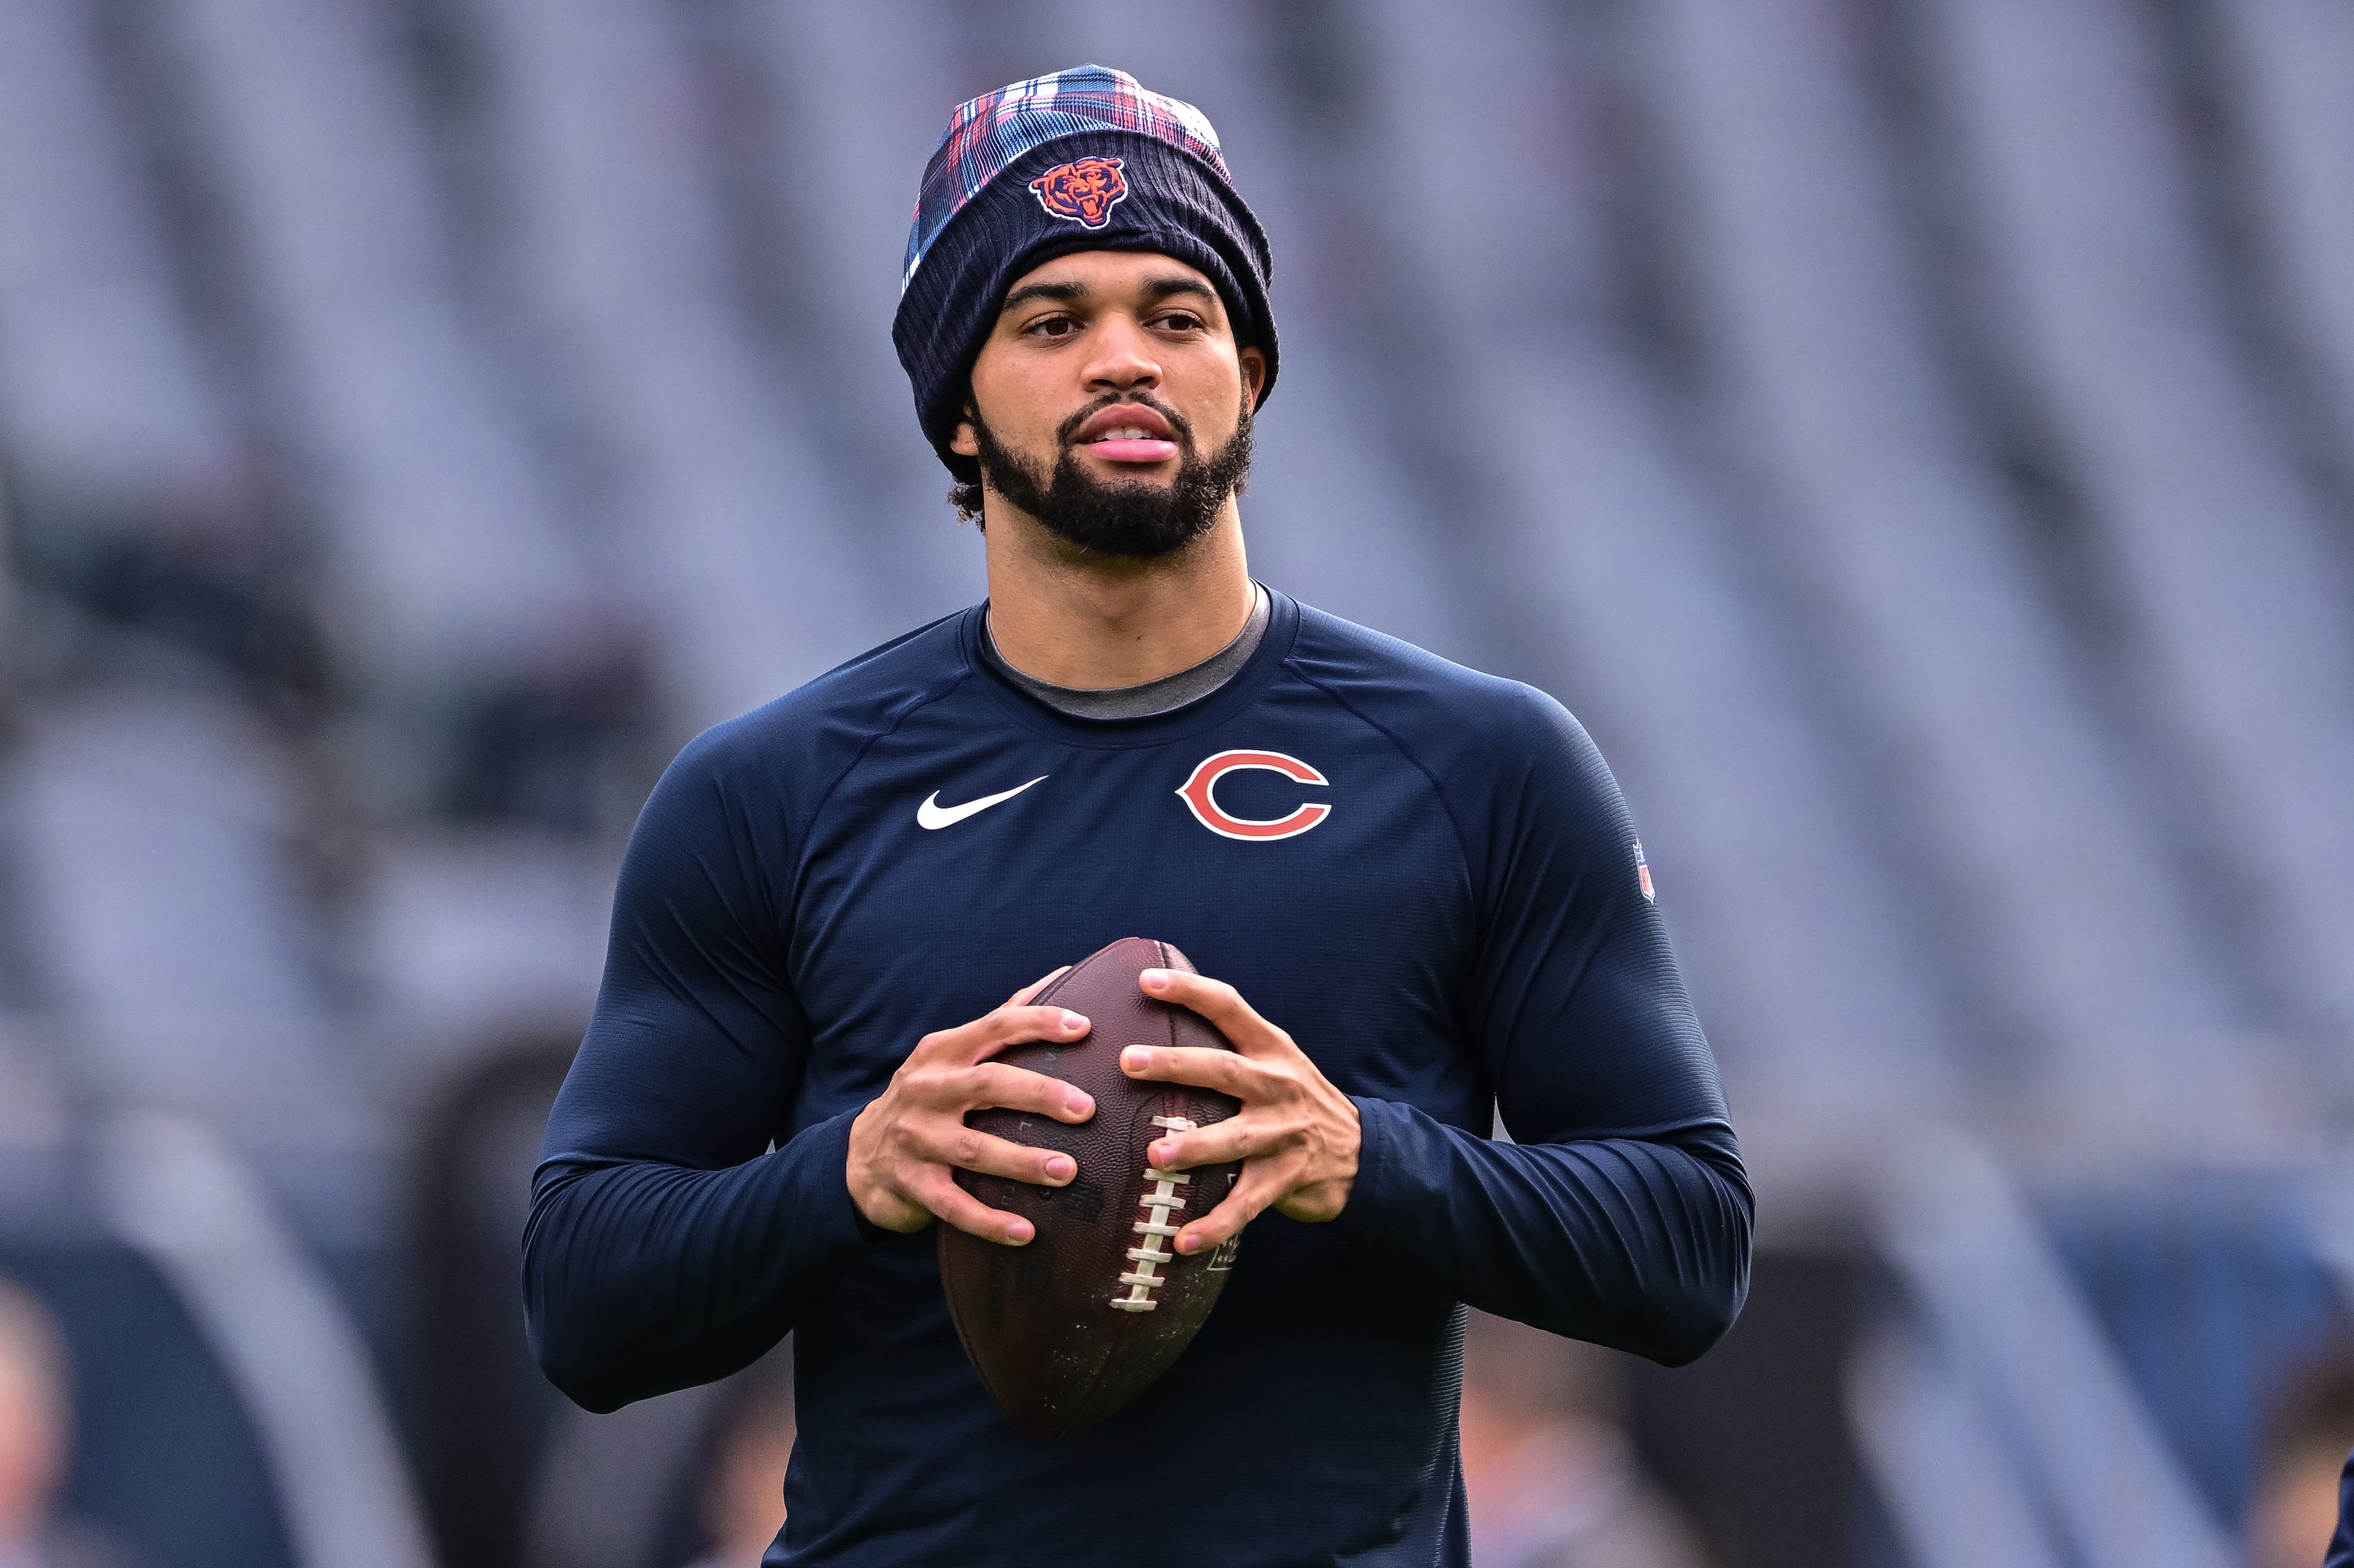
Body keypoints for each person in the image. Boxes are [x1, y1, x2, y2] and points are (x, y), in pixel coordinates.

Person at [524, 63, 1751, 1568]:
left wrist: (1364, 1159)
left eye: (1177, 314)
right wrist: (850, 1172)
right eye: (1053, 319)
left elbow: (1690, 1250)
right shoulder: (771, 793)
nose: (1126, 357)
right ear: (956, 409)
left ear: (1249, 370)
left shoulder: (1478, 763)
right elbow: (581, 1305)